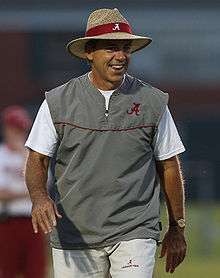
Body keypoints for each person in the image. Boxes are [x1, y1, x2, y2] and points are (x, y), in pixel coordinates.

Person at [25, 8, 187, 278]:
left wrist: (177, 227)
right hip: (74, 232)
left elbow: (169, 165)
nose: (121, 56)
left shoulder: (153, 101)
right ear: (89, 52)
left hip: (135, 229)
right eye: (111, 48)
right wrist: (39, 197)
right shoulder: (57, 101)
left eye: (126, 48)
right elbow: (37, 159)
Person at [0, 106, 47, 278]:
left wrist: (23, 153)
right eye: (15, 129)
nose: (18, 134)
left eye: (21, 130)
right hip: (7, 221)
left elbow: (43, 186)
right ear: (6, 129)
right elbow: (1, 194)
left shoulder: (32, 155)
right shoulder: (1, 155)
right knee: (8, 271)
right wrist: (29, 191)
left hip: (33, 221)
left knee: (35, 271)